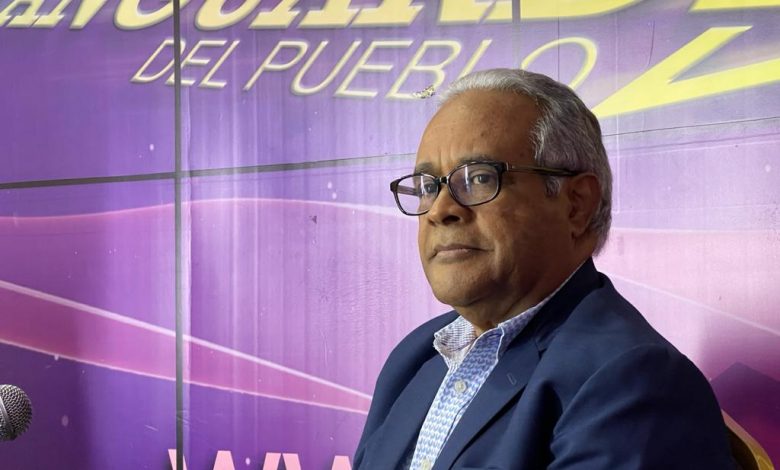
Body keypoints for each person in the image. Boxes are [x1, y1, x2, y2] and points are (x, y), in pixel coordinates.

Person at [353, 69, 734, 469]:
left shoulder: (636, 381)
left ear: (576, 205)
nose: (440, 210)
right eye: (428, 186)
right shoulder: (417, 357)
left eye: (479, 178)